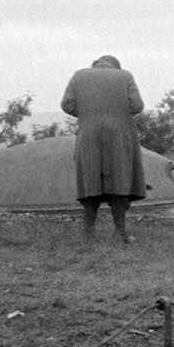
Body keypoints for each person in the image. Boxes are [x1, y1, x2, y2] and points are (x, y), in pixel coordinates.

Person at [61, 54, 146, 242]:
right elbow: (137, 105)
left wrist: (88, 114)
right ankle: (120, 232)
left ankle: (88, 233)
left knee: (90, 182)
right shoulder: (124, 76)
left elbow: (67, 105)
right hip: (119, 136)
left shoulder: (79, 76)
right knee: (120, 181)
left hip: (88, 136)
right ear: (115, 66)